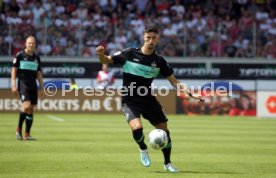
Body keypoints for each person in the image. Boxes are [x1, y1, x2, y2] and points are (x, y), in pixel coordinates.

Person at [96, 25, 204, 173]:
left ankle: (168, 163)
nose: (151, 41)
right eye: (148, 38)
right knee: (137, 127)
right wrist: (100, 54)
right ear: (144, 37)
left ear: (157, 39)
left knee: (165, 131)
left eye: (154, 38)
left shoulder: (159, 61)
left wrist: (191, 94)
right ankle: (143, 148)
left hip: (148, 100)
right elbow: (107, 60)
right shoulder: (129, 53)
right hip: (130, 99)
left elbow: (174, 81)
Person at [11, 36, 44, 140]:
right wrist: (13, 85)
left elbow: (38, 73)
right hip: (23, 84)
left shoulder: (36, 57)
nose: (31, 45)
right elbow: (14, 71)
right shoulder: (20, 55)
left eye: (33, 43)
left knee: (31, 109)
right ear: (25, 43)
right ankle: (19, 129)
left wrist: (42, 86)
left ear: (35, 44)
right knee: (26, 106)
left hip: (33, 86)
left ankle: (27, 134)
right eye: (29, 43)